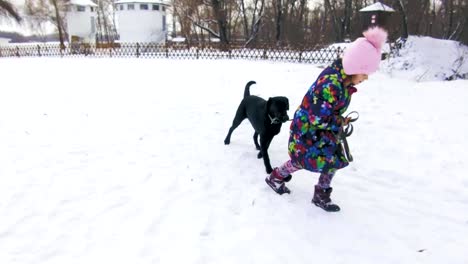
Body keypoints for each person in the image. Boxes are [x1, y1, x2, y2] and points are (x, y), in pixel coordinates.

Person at [265, 27, 388, 212]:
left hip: (321, 131)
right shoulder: (331, 84)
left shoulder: (343, 81)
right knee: (302, 160)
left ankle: (320, 194)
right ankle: (276, 177)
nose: (366, 78)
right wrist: (338, 122)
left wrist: (338, 120)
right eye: (365, 73)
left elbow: (327, 112)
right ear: (355, 67)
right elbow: (317, 117)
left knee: (332, 160)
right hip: (308, 131)